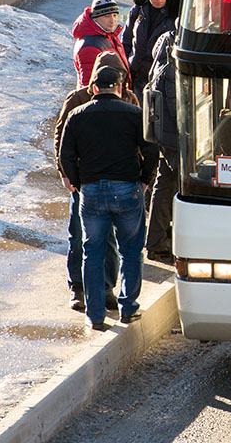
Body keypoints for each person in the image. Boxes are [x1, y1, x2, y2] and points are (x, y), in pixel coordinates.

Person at [58, 64, 158, 331]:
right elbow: (151, 151)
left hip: (90, 193)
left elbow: (65, 155)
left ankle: (96, 314)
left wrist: (79, 184)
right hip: (127, 189)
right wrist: (145, 181)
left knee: (92, 252)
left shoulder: (77, 115)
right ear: (120, 87)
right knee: (131, 251)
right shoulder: (135, 114)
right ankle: (128, 309)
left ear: (93, 88)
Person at [52, 54, 139, 311]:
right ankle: (77, 288)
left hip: (119, 180)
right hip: (84, 181)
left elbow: (141, 140)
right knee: (79, 236)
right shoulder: (77, 100)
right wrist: (66, 174)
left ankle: (105, 288)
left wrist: (141, 178)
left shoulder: (129, 99)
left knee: (110, 239)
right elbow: (62, 138)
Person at [144, 29, 179, 262]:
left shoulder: (163, 58)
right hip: (175, 137)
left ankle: (157, 241)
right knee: (168, 186)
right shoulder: (171, 70)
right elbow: (177, 105)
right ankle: (158, 242)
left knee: (164, 184)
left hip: (166, 136)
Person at [123, 0, 180, 94]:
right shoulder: (138, 10)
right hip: (137, 72)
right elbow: (126, 40)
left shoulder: (177, 11)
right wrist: (125, 65)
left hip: (163, 75)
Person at [72, 0, 129, 88]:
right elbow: (88, 87)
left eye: (115, 15)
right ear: (96, 18)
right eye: (107, 16)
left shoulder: (109, 35)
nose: (113, 20)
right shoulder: (90, 46)